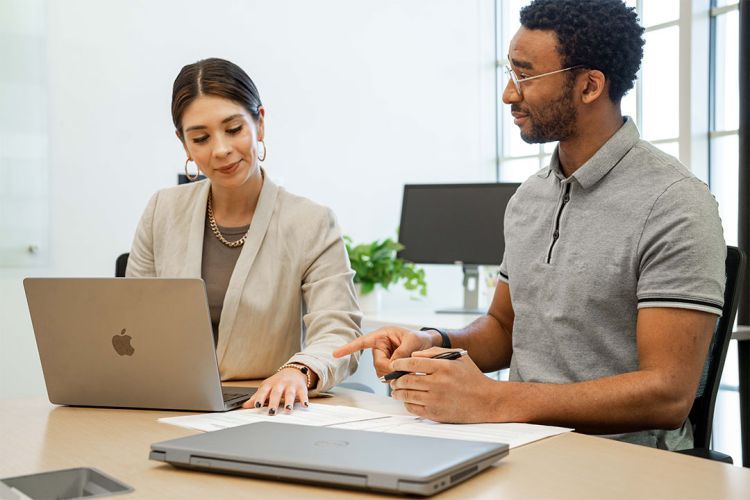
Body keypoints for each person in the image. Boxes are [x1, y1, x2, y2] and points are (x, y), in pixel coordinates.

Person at [334, 0, 726, 450]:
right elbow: (503, 330)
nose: (508, 93)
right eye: (509, 71)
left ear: (589, 86)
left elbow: (668, 393)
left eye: (525, 75)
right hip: (521, 442)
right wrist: (430, 340)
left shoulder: (675, 203)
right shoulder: (530, 197)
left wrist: (496, 401)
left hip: (624, 458)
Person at [127, 58, 361, 414]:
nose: (220, 149)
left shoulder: (310, 222)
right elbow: (132, 319)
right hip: (167, 402)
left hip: (264, 406)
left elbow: (339, 331)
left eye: (234, 129)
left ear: (260, 123)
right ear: (184, 144)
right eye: (201, 138)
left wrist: (299, 371)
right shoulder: (163, 210)